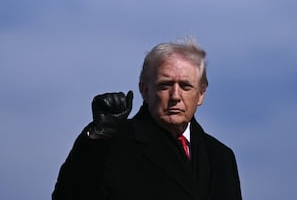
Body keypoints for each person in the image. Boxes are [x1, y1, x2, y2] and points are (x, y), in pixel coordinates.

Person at [52, 38, 242, 200]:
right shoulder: (112, 143)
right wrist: (96, 140)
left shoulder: (222, 157)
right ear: (144, 89)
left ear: (201, 93)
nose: (175, 95)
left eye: (185, 86)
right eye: (165, 85)